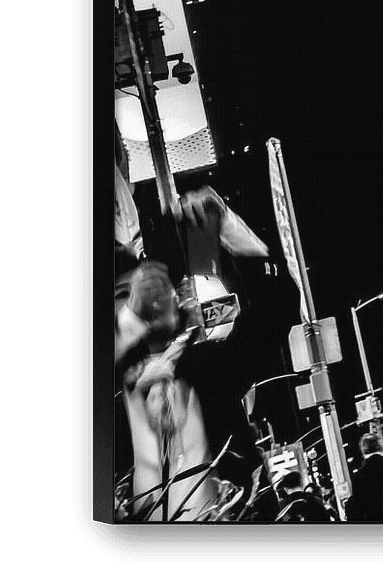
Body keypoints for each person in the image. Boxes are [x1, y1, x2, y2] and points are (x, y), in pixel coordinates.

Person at [114, 165, 269, 521]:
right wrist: (131, 322)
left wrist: (226, 225)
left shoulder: (211, 367)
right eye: (125, 294)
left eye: (155, 283)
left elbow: (275, 308)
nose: (147, 296)